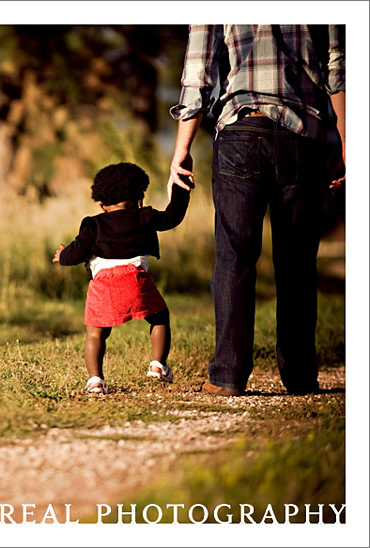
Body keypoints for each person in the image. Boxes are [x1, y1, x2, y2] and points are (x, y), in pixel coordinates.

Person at [167, 25, 346, 396]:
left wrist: (180, 150)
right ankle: (300, 376)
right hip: (304, 135)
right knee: (297, 261)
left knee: (234, 257)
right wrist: (349, 143)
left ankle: (228, 376)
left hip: (241, 131)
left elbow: (197, 73)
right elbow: (337, 68)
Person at [53, 163, 191, 395]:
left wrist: (62, 255)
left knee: (96, 334)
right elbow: (173, 216)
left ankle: (95, 380)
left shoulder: (93, 224)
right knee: (160, 317)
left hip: (103, 286)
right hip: (137, 282)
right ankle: (158, 364)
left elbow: (75, 254)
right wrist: (182, 188)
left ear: (101, 205)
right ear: (140, 199)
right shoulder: (145, 215)